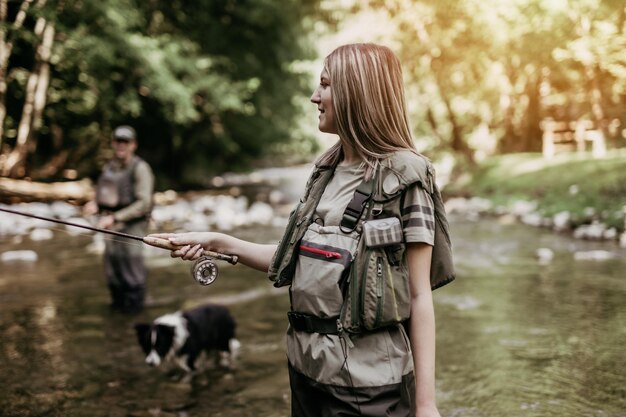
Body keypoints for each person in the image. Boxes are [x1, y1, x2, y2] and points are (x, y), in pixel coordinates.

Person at [150, 43, 454, 416]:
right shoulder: (325, 170)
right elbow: (293, 261)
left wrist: (426, 405)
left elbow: (420, 298)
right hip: (307, 374)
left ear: (356, 91)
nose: (314, 97)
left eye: (325, 85)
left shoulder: (407, 177)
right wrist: (214, 240)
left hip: (372, 386)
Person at [84, 125, 155, 314]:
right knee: (113, 275)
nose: (121, 145)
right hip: (111, 227)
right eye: (118, 141)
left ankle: (136, 319)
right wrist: (96, 205)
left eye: (126, 142)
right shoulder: (110, 167)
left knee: (132, 275)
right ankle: (118, 319)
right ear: (113, 143)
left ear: (134, 145)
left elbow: (144, 203)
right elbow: (106, 193)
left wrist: (116, 217)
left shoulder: (140, 169)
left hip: (133, 227)